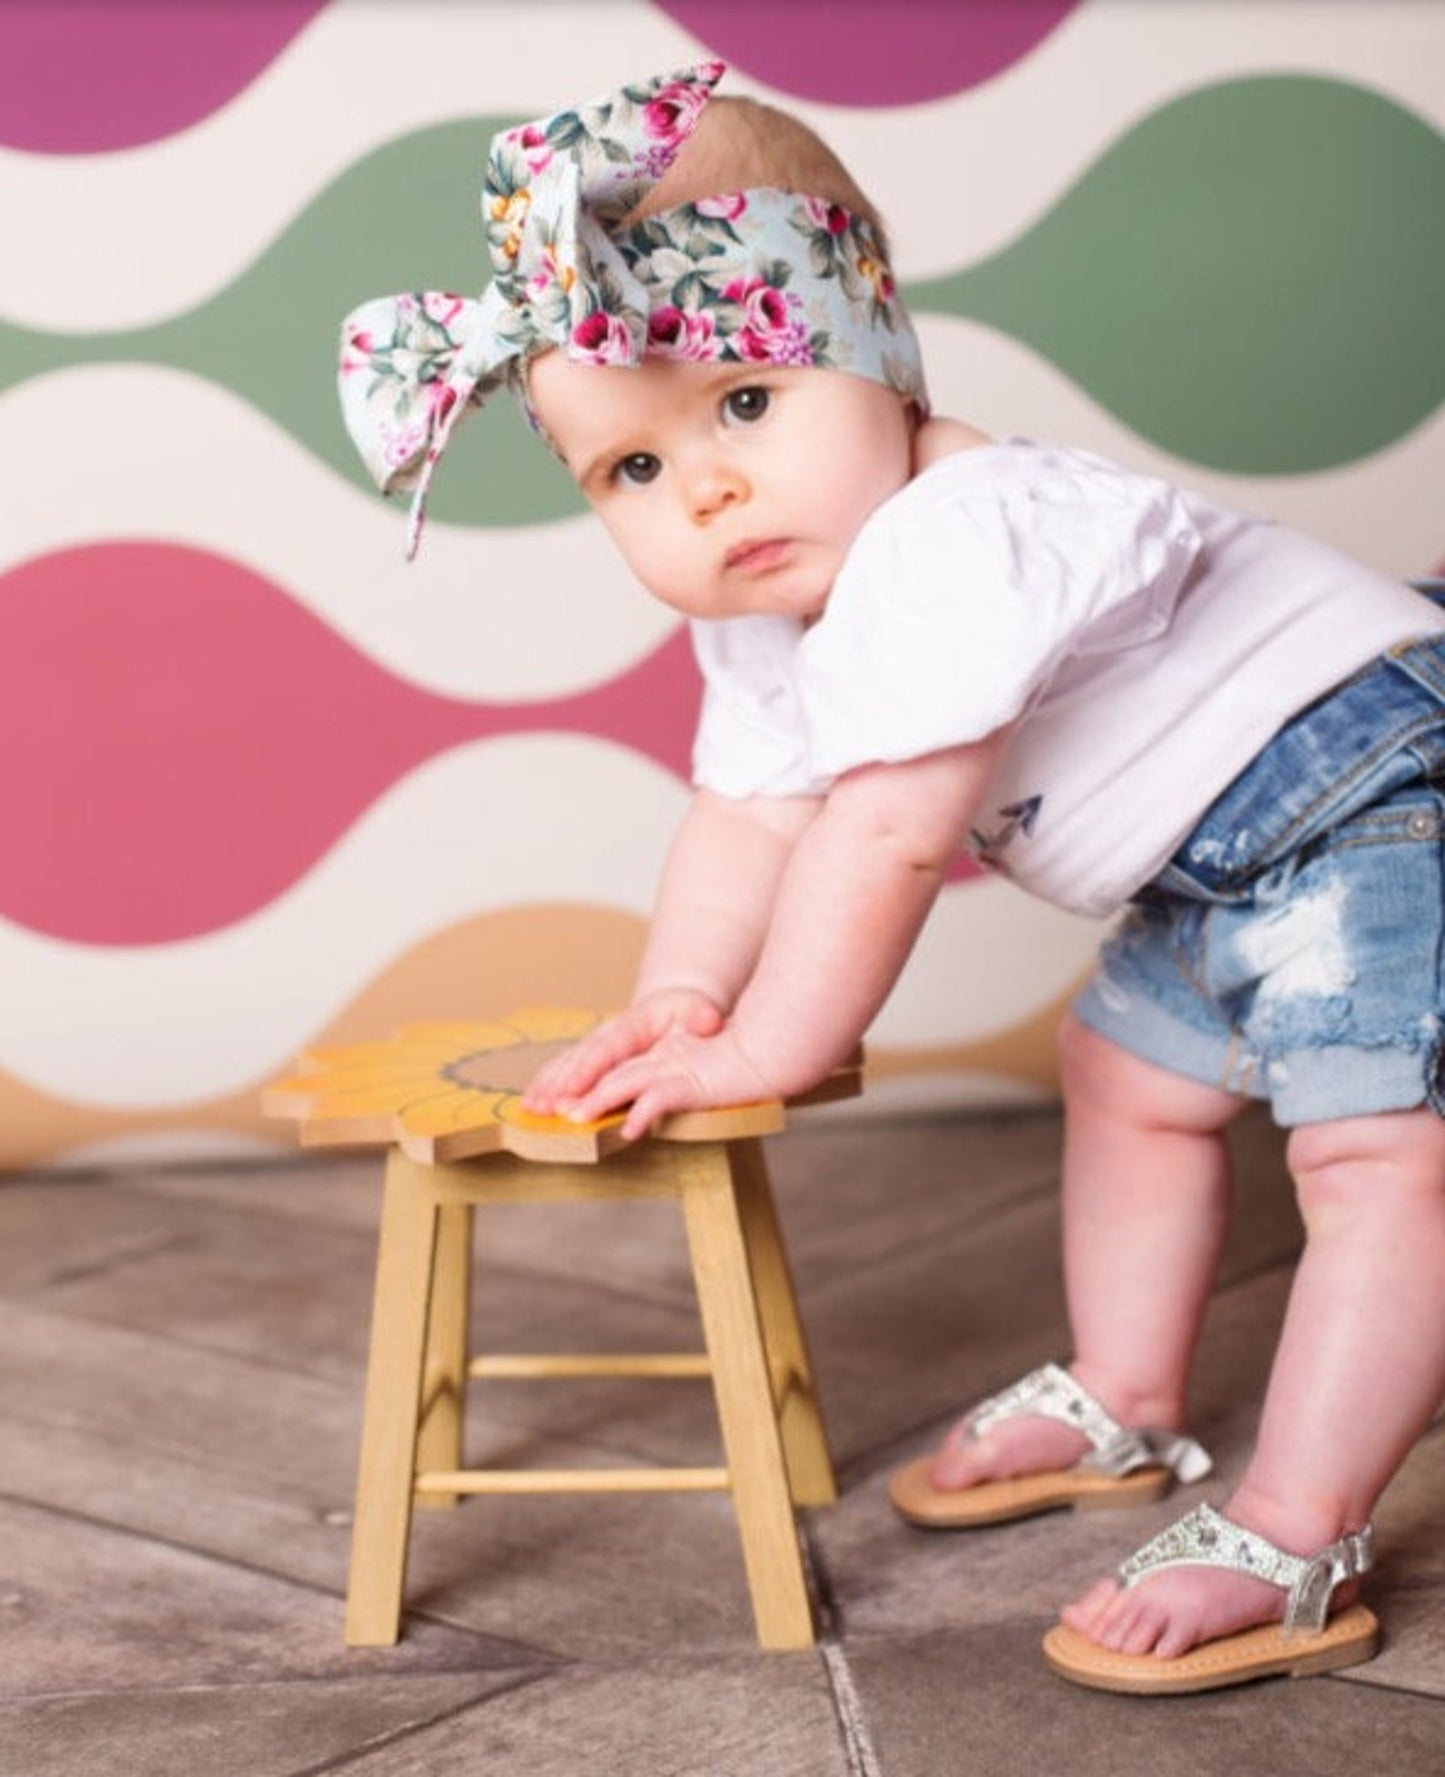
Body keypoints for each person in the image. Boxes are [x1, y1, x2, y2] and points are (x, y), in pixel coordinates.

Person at [338, 62, 1445, 1694]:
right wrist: (681, 995)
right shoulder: (767, 605)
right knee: (1123, 1078)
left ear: (876, 350)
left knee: (1375, 1158)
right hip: (1204, 867)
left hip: (1368, 790)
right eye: (630, 472)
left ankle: (1296, 1526)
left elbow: (886, 831)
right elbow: (748, 818)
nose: (703, 489)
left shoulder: (955, 529)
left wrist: (767, 1043)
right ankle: (1125, 1395)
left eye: (742, 405)